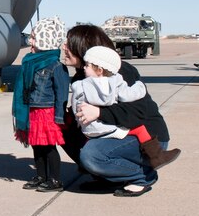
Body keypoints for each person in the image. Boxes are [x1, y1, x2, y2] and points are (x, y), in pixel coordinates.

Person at [61, 25, 175, 197]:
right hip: (116, 133)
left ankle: (143, 176)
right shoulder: (82, 76)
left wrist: (99, 112)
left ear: (84, 47)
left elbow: (138, 112)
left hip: (146, 139)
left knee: (92, 155)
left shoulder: (118, 71)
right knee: (62, 130)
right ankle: (109, 178)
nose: (64, 47)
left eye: (69, 43)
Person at [75, 45, 180, 169]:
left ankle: (87, 167)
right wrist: (140, 87)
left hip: (89, 129)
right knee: (139, 129)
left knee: (92, 147)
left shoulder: (81, 84)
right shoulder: (115, 81)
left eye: (87, 65)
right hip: (106, 128)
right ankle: (156, 156)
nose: (84, 68)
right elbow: (128, 95)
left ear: (99, 69)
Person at [13, 16, 69, 192]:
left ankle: (55, 180)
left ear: (46, 40)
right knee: (36, 145)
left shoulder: (56, 65)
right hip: (33, 110)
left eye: (35, 38)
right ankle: (41, 176)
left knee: (49, 147)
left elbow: (62, 92)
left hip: (47, 112)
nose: (31, 41)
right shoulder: (30, 62)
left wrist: (59, 116)